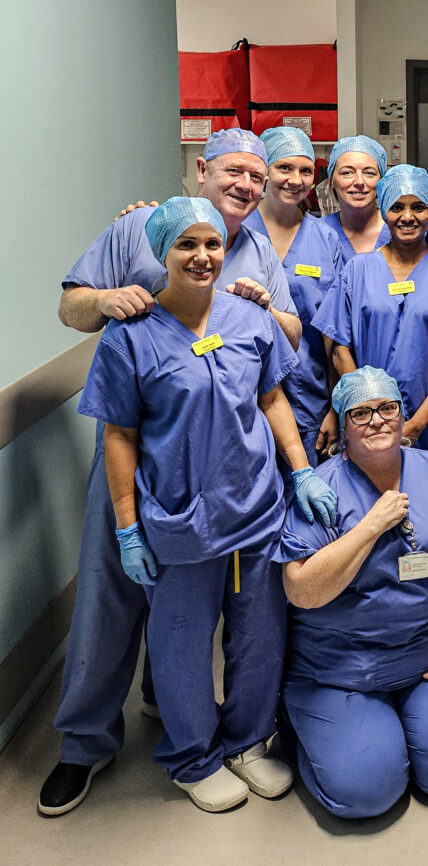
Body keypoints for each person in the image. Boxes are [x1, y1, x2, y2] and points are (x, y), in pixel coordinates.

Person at [41, 129, 303, 817]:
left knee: (236, 620)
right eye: (234, 171)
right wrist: (104, 302)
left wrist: (262, 306)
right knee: (112, 599)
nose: (247, 184)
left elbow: (282, 348)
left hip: (237, 480)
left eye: (260, 173)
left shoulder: (255, 258)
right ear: (202, 168)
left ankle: (206, 722)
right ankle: (86, 744)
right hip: (148, 465)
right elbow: (71, 304)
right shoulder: (138, 225)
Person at [75, 198, 336, 812]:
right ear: (161, 254)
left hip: (255, 510)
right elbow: (120, 435)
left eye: (212, 244)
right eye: (186, 245)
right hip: (182, 518)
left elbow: (273, 398)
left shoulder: (249, 318)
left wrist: (300, 473)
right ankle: (193, 757)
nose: (202, 256)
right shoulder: (129, 337)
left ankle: (247, 742)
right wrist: (127, 526)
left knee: (258, 632)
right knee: (183, 639)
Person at [275, 366, 428, 818]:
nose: (377, 421)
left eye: (387, 408)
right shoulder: (323, 490)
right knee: (367, 793)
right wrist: (370, 527)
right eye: (360, 413)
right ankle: (303, 730)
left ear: (402, 412)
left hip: (427, 660)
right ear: (342, 422)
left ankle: (399, 728)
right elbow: (300, 590)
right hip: (339, 668)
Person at [312, 165, 428, 460]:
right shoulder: (357, 271)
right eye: (397, 207)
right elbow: (340, 349)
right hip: (365, 421)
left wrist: (417, 424)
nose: (407, 217)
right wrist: (368, 410)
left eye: (418, 207)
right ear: (383, 212)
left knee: (427, 496)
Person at [245, 126, 345, 461]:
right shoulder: (236, 232)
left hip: (308, 395)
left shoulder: (325, 238)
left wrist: (335, 406)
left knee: (307, 496)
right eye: (284, 168)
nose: (296, 179)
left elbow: (333, 334)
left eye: (305, 171)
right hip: (245, 391)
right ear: (265, 171)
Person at [320, 135, 391, 263]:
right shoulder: (317, 232)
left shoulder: (401, 230)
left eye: (369, 173)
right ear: (331, 181)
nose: (359, 182)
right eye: (347, 172)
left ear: (381, 181)